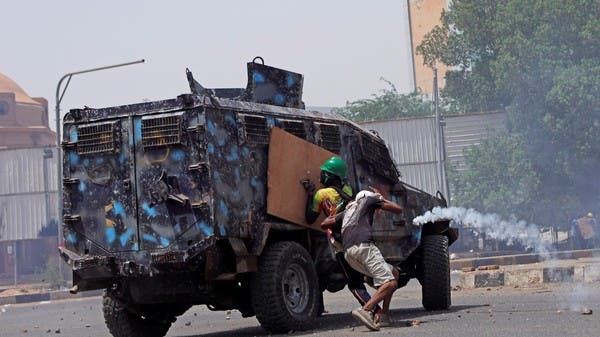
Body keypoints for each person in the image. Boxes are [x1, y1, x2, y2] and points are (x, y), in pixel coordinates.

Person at [301, 157, 382, 316]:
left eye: (324, 173)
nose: (321, 176)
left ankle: (375, 312)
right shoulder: (350, 190)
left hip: (341, 245)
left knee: (354, 283)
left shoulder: (321, 194)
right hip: (359, 239)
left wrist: (310, 194)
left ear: (331, 176)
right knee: (364, 275)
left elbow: (310, 218)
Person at [321, 189, 402, 331]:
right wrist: (380, 197)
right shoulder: (368, 200)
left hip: (349, 254)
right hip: (364, 247)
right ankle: (366, 309)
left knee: (394, 273)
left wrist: (338, 214)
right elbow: (398, 209)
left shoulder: (348, 210)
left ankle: (384, 316)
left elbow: (324, 224)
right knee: (390, 283)